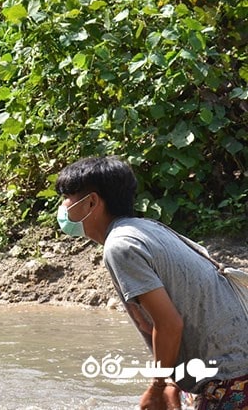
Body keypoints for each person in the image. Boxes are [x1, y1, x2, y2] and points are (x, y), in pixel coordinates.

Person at [54, 156, 248, 410]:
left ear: (91, 202)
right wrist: (171, 382)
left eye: (66, 198)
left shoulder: (121, 245)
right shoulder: (148, 228)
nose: (63, 207)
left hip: (229, 377)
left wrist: (158, 385)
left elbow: (169, 324)